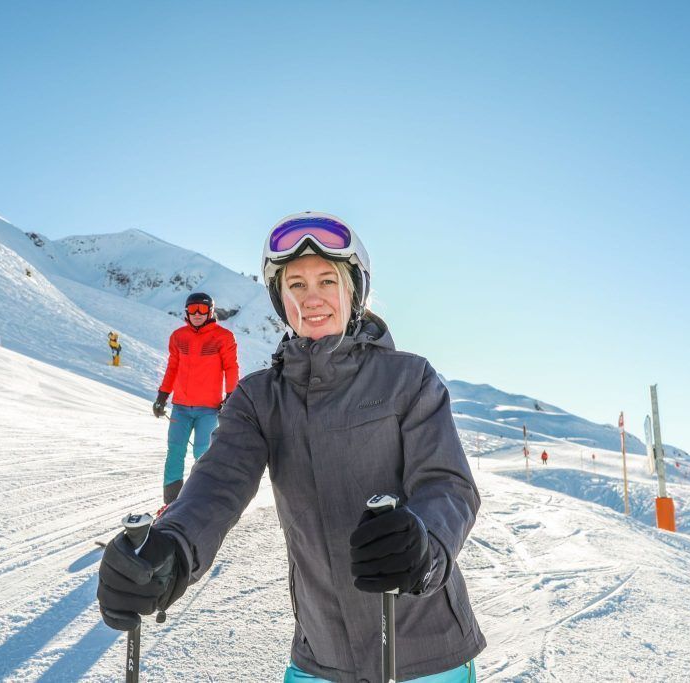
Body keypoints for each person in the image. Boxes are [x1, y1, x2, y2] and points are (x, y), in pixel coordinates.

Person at [99, 212, 485, 682]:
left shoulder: (408, 378)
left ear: (354, 291)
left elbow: (447, 485)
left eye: (327, 279)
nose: (313, 297)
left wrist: (426, 544)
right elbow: (218, 481)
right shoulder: (260, 398)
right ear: (281, 299)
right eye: (296, 285)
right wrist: (173, 549)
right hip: (319, 657)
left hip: (427, 651)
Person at [152, 292, 239, 505]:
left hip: (208, 408)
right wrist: (162, 397)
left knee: (203, 452)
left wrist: (230, 396)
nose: (197, 314)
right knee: (175, 451)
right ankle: (171, 502)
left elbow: (231, 367)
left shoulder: (223, 337)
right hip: (180, 407)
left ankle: (202, 499)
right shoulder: (178, 337)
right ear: (187, 312)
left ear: (210, 311)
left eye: (202, 309)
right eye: (192, 310)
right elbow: (172, 368)